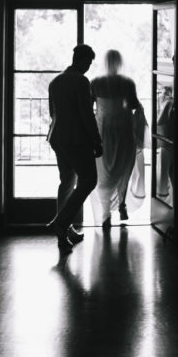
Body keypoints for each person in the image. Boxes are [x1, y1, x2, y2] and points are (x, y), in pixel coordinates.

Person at [45, 44, 103, 254]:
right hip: (76, 139)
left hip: (57, 137)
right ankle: (61, 222)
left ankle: (64, 230)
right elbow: (86, 114)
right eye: (89, 62)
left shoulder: (56, 81)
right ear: (83, 59)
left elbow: (52, 112)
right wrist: (96, 141)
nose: (88, 67)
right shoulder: (81, 81)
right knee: (89, 180)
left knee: (67, 182)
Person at [90, 49, 148, 229]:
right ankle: (122, 202)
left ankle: (105, 214)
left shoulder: (95, 83)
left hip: (103, 131)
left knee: (104, 171)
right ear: (120, 63)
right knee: (123, 167)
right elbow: (133, 104)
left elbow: (89, 107)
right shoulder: (127, 83)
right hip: (123, 130)